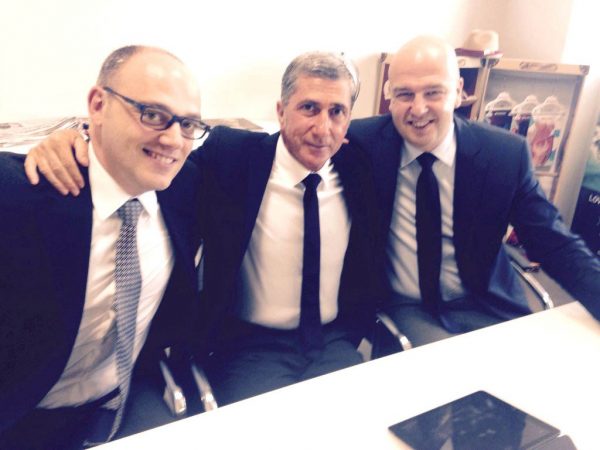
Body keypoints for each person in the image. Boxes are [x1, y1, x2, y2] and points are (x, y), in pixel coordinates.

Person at [22, 52, 379, 406]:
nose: (323, 128)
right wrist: (78, 140)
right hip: (250, 348)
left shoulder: (360, 164)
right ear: (281, 111)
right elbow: (152, 162)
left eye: (337, 112)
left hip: (334, 342)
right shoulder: (231, 158)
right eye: (309, 109)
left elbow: (398, 125)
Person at [0, 45, 205, 449]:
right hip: (21, 417)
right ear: (98, 104)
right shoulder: (18, 196)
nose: (172, 139)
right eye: (152, 114)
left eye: (187, 123)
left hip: (122, 401)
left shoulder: (186, 184)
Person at [348, 35, 600, 347]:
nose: (418, 108)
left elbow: (555, 243)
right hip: (409, 308)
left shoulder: (503, 155)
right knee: (451, 371)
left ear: (458, 93)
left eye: (433, 92)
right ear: (390, 96)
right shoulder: (360, 144)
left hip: (486, 303)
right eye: (404, 94)